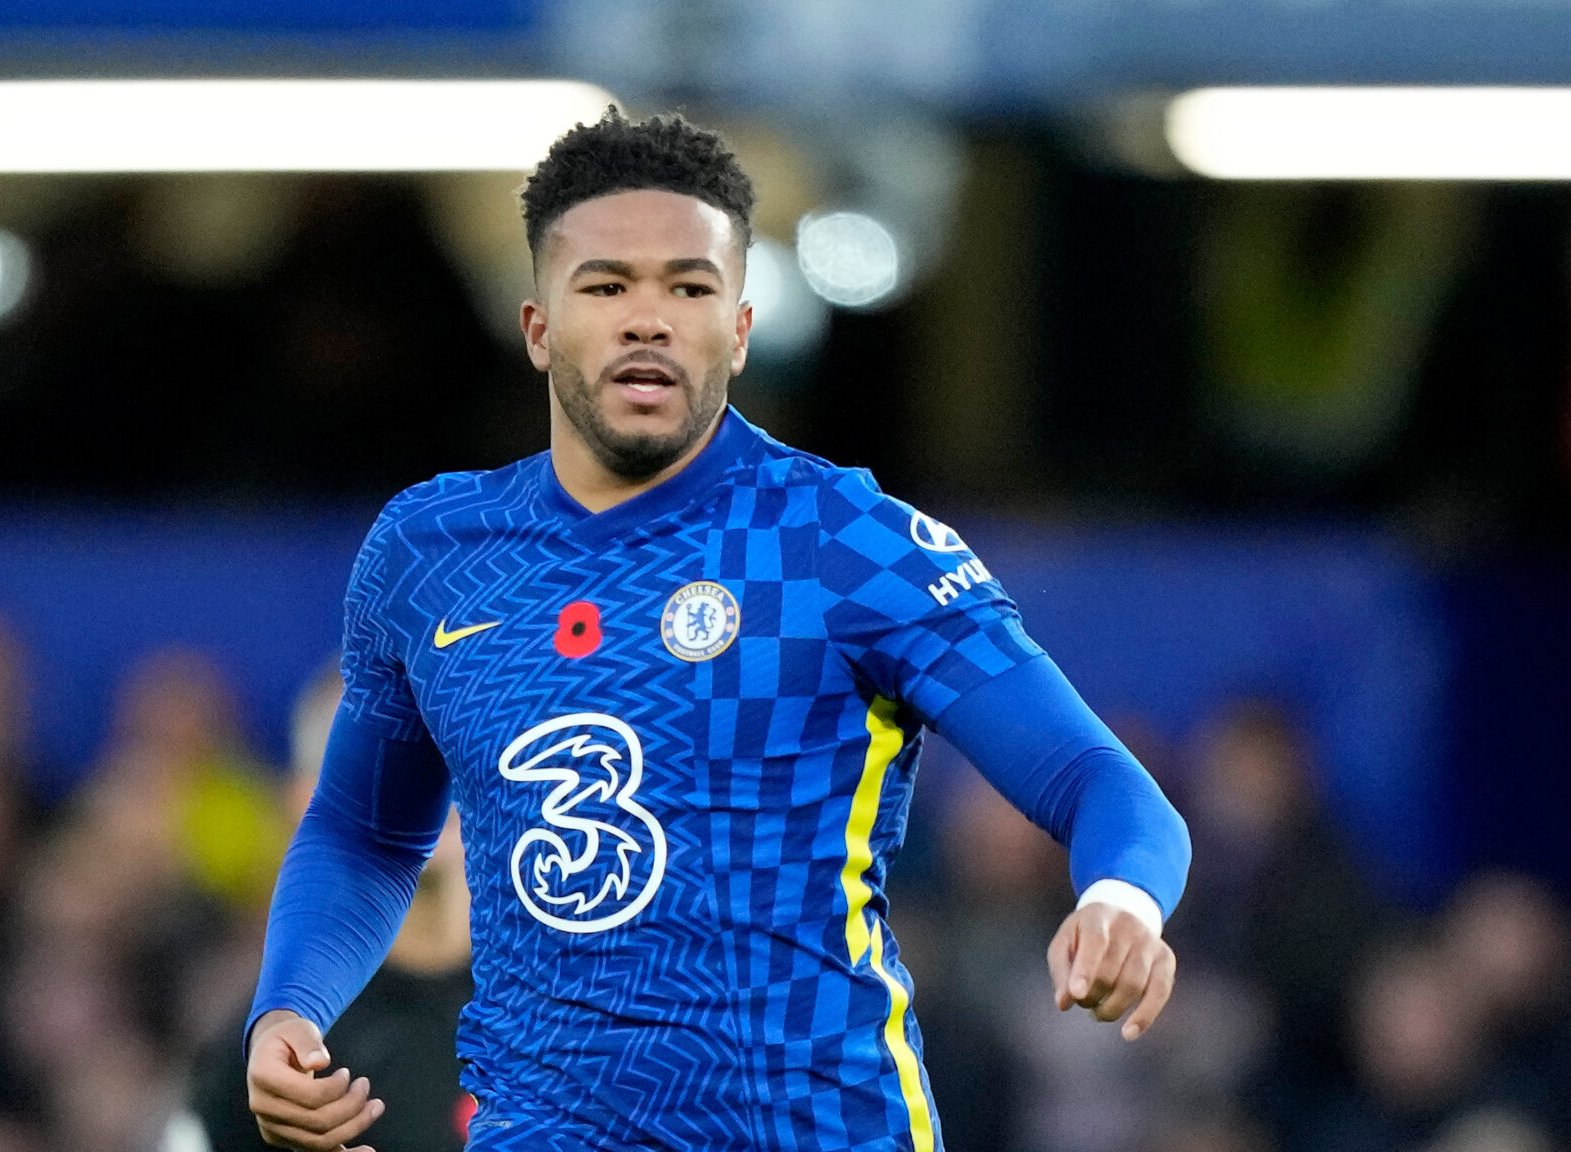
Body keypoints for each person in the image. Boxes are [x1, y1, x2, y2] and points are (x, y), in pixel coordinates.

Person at [246, 108, 1191, 1152]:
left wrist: (1121, 901)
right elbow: (365, 829)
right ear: (537, 326)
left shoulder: (845, 543)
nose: (648, 320)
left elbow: (1094, 779)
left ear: (738, 331)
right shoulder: (429, 554)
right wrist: (288, 1008)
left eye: (689, 288)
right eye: (606, 286)